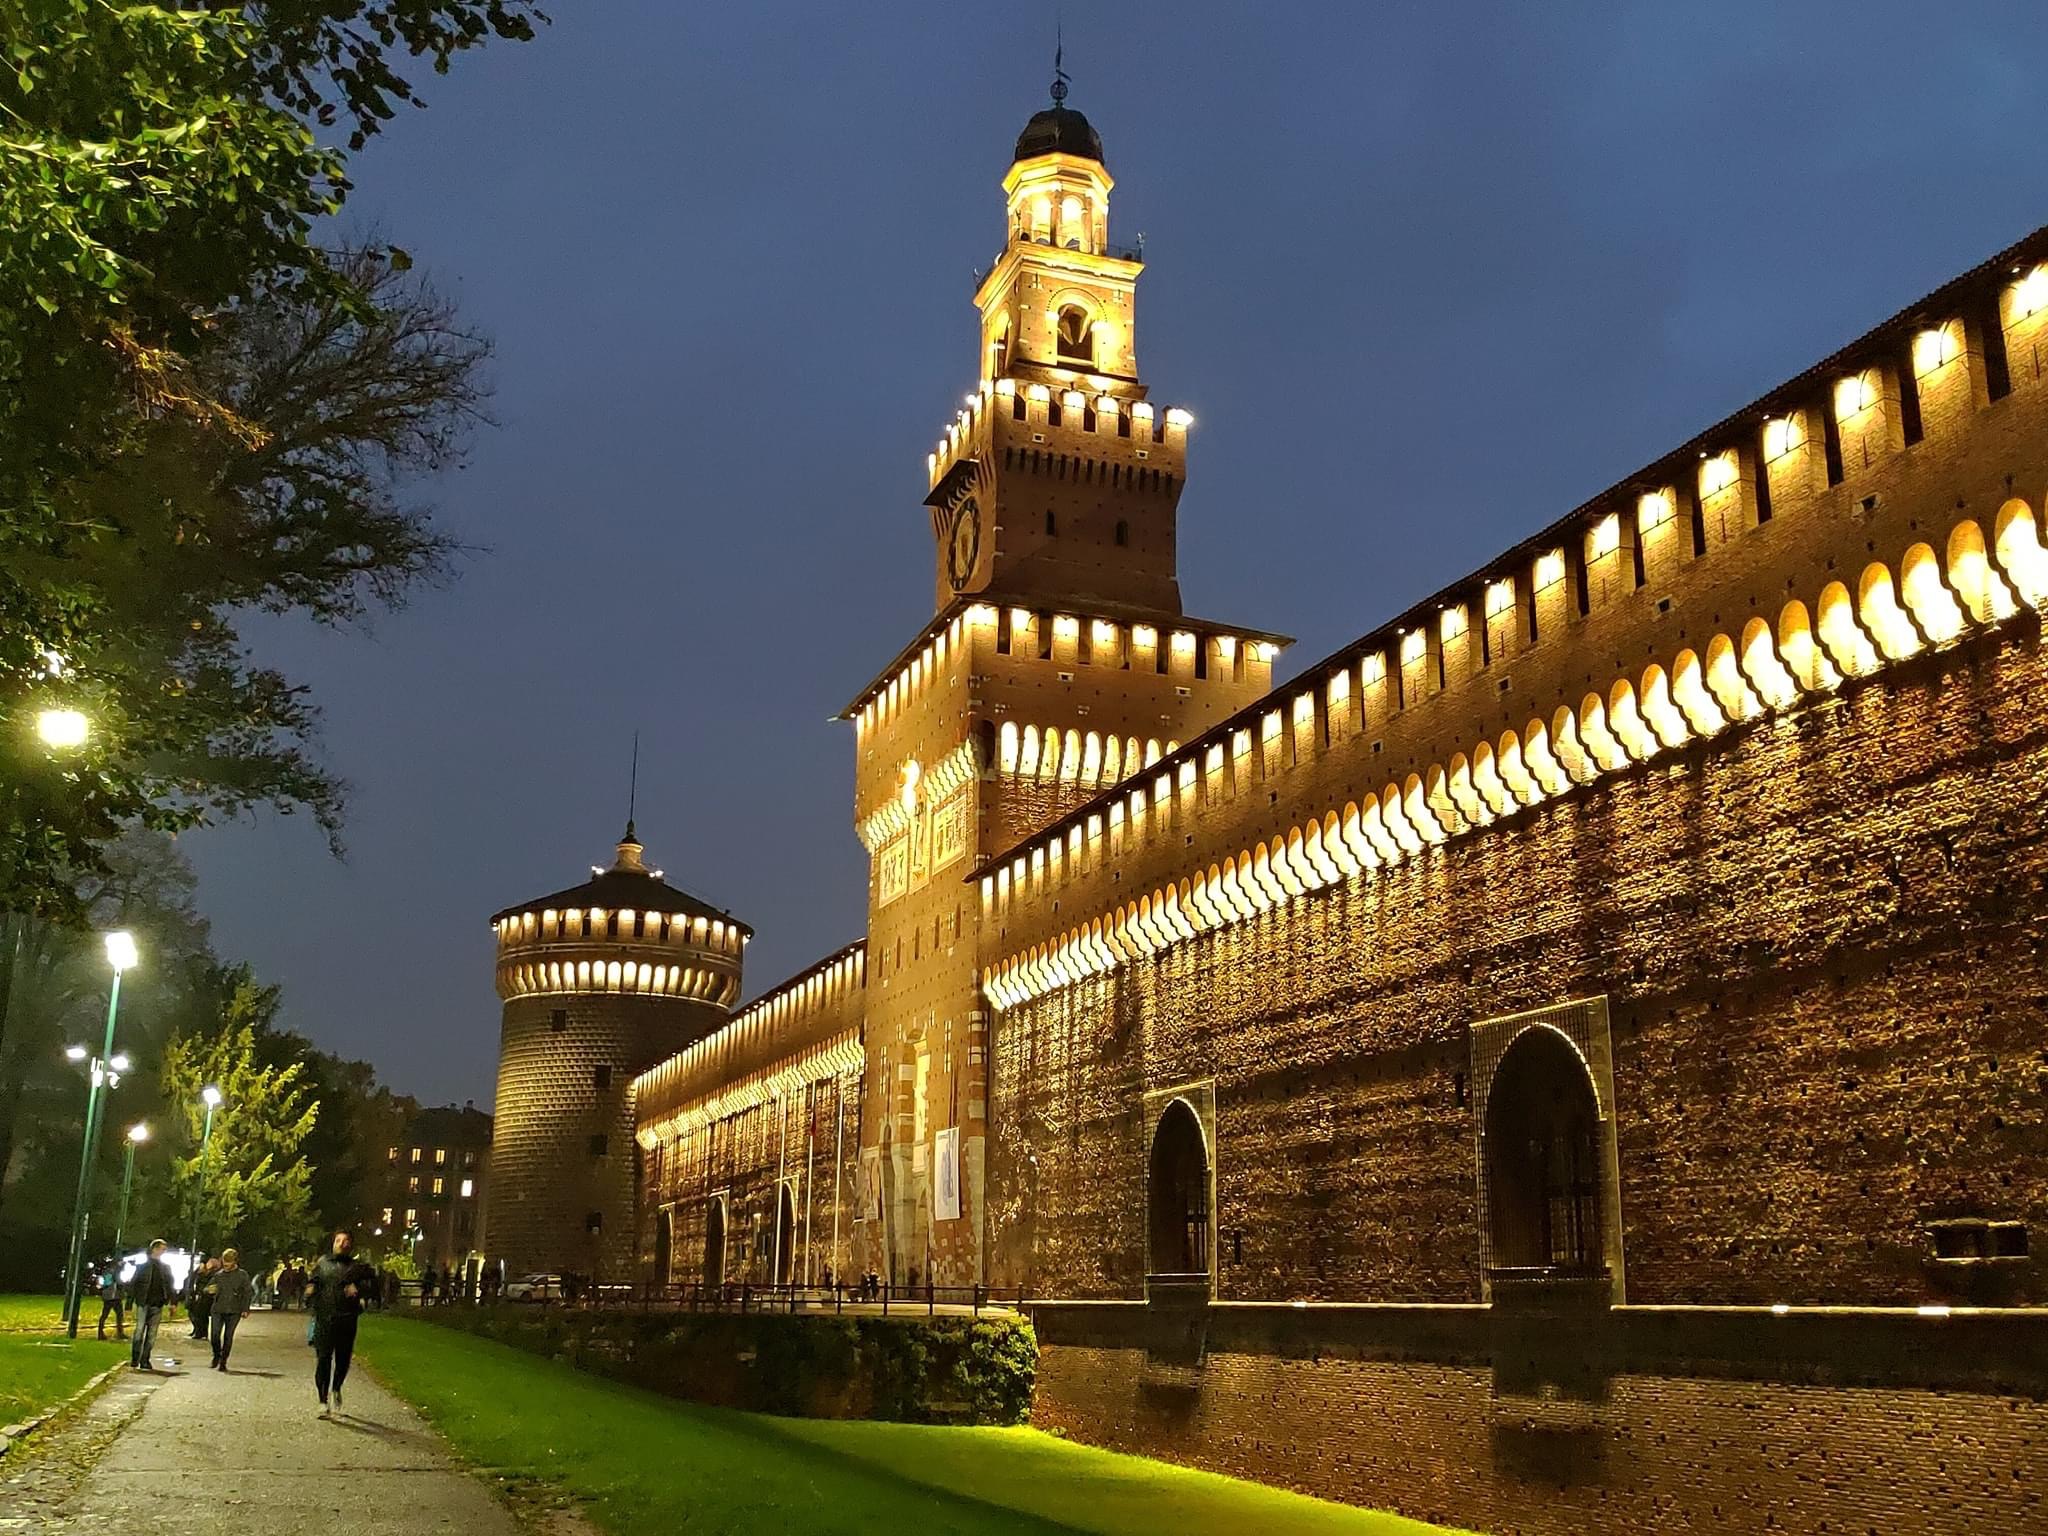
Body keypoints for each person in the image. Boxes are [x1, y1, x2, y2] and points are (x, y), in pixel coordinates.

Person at [308, 1230, 376, 1417]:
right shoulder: (322, 1264)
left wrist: (360, 1291)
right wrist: (310, 1290)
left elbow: (373, 1287)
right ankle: (322, 1400)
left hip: (347, 1319)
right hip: (325, 1319)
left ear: (350, 1245)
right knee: (323, 1360)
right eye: (338, 1240)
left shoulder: (358, 1268)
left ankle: (336, 1387)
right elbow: (313, 1282)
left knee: (343, 1360)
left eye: (346, 1240)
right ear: (333, 1243)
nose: (341, 1243)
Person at [128, 1240, 175, 1370]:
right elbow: (134, 1285)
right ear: (154, 1249)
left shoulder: (165, 1268)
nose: (163, 1252)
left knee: (151, 1335)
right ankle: (135, 1358)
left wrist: (172, 1302)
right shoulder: (142, 1267)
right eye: (161, 1249)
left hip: (157, 1304)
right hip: (144, 1302)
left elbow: (170, 1285)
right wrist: (129, 1304)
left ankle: (145, 1359)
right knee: (139, 1331)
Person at [206, 1248, 255, 1370]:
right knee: (215, 1335)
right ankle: (216, 1354)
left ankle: (223, 1361)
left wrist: (245, 1309)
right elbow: (208, 1288)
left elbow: (248, 1292)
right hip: (218, 1309)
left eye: (229, 1262)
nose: (226, 1264)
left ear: (234, 1261)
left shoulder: (242, 1275)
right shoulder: (218, 1275)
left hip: (234, 1310)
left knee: (228, 1336)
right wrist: (209, 1290)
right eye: (224, 1261)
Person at [187, 1254, 218, 1340]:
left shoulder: (213, 1273)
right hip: (198, 1295)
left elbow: (212, 1285)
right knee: (195, 1314)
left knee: (202, 1315)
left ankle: (203, 1333)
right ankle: (198, 1331)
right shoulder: (200, 1271)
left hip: (207, 1297)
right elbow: (194, 1279)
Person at [95, 1258, 126, 1340]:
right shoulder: (114, 1272)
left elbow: (104, 1283)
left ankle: (101, 1332)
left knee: (106, 1315)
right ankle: (119, 1333)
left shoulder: (107, 1272)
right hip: (113, 1296)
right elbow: (116, 1283)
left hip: (109, 1296)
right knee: (117, 1315)